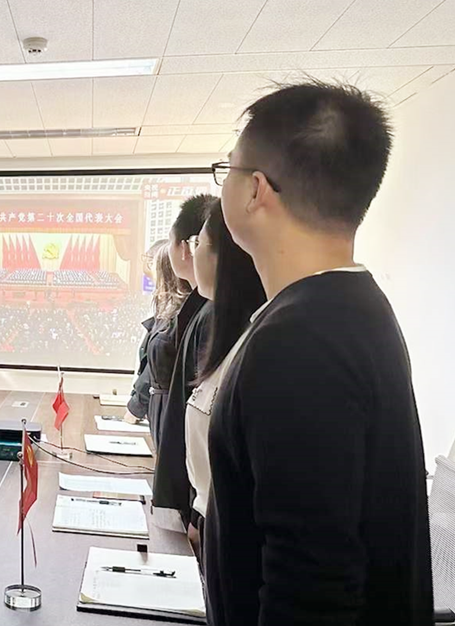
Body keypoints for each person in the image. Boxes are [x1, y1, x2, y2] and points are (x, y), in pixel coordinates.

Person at [206, 82, 431, 625]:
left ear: (255, 190)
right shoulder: (347, 306)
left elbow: (310, 589)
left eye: (227, 169)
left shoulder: (301, 341)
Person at [182, 201, 264, 563]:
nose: (192, 253)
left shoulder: (259, 343)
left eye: (197, 243)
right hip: (211, 529)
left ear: (224, 257)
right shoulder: (231, 332)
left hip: (232, 544)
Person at [150, 193, 217, 523]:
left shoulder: (211, 312)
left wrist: (195, 508)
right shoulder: (200, 305)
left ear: (186, 247)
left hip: (198, 496)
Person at [125, 239, 190, 425]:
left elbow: (156, 367)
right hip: (155, 409)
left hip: (166, 411)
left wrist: (136, 406)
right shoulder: (164, 307)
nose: (154, 284)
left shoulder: (177, 313)